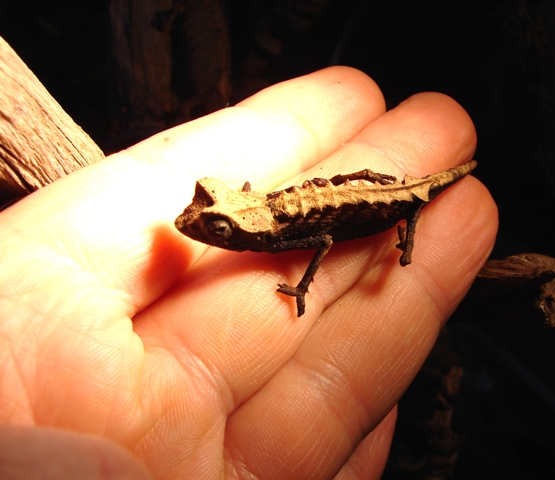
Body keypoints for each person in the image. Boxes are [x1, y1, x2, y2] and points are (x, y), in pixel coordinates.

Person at [0, 67, 498, 479]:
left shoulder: (275, 236)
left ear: (242, 232)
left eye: (216, 225)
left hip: (377, 207)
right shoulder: (261, 222)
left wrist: (303, 286)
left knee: (418, 201)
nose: (196, 227)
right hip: (319, 201)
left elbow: (324, 238)